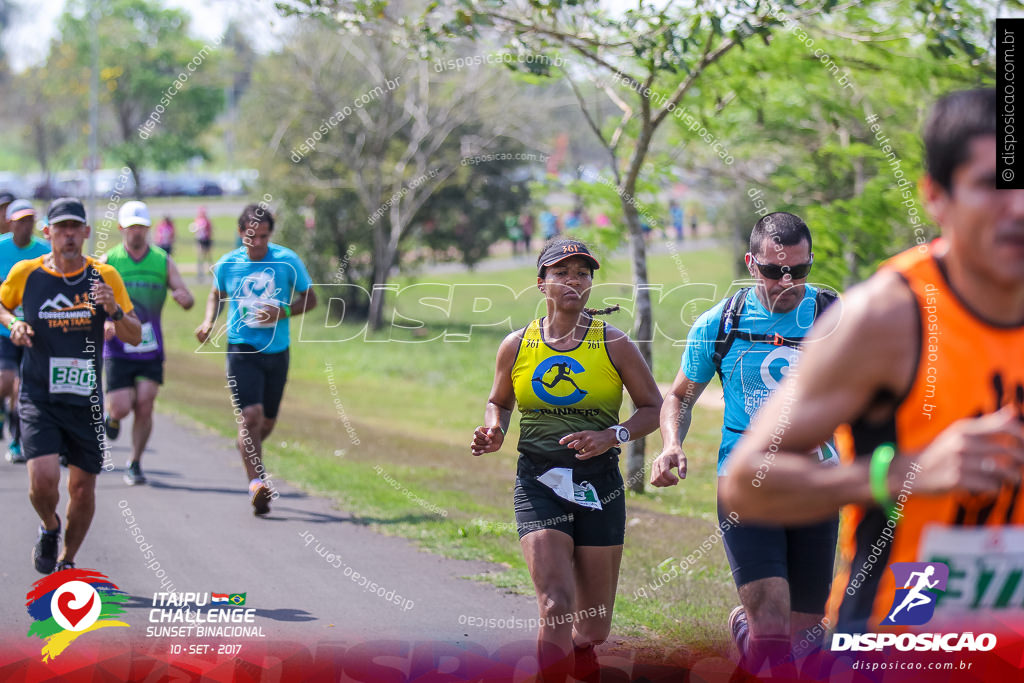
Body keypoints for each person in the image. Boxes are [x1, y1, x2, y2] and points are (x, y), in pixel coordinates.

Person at [722, 88, 1024, 636]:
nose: (1019, 207)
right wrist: (905, 474)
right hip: (909, 628)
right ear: (936, 195)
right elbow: (746, 481)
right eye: (992, 185)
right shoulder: (887, 316)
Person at [651, 212, 840, 677]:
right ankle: (753, 630)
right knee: (772, 625)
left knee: (802, 637)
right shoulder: (722, 322)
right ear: (751, 264)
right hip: (745, 481)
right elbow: (678, 396)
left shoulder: (834, 315)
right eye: (775, 271)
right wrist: (671, 444)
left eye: (799, 270)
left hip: (817, 482)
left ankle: (745, 635)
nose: (787, 281)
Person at [471, 238, 662, 681]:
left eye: (582, 273)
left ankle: (581, 650)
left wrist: (610, 435)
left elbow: (652, 408)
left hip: (599, 483)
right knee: (555, 603)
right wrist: (495, 429)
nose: (573, 281)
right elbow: (498, 401)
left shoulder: (613, 344)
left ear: (591, 284)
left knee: (593, 624)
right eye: (562, 273)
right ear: (542, 284)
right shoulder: (517, 345)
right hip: (538, 480)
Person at [0, 197, 141, 573]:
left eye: (74, 227)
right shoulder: (26, 273)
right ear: (47, 233)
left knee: (81, 489)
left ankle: (67, 560)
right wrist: (13, 324)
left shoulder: (104, 276)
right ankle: (50, 525)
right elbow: (2, 304)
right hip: (38, 393)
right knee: (43, 480)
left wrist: (112, 309)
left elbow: (135, 335)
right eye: (59, 228)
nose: (67, 235)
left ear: (86, 232)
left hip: (86, 400)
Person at [195, 203, 316, 516]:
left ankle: (246, 445)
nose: (257, 243)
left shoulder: (287, 261)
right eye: (252, 236)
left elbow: (311, 299)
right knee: (251, 415)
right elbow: (215, 294)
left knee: (266, 422)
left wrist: (283, 311)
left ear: (270, 235)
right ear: (240, 233)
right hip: (241, 349)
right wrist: (209, 321)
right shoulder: (228, 264)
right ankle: (256, 484)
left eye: (264, 236)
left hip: (277, 352)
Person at [101, 201, 194, 485]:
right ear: (121, 229)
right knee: (122, 406)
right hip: (117, 346)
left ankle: (135, 462)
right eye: (131, 228)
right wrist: (105, 322)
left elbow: (186, 295)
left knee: (145, 403)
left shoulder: (162, 260)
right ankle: (113, 417)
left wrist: (184, 298)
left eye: (141, 227)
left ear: (148, 229)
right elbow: (94, 302)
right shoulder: (109, 261)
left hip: (150, 347)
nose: (137, 233)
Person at [0, 200, 51, 463]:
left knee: (22, 389)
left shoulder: (43, 251)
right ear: (10, 223)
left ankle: (17, 441)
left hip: (34, 331)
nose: (26, 226)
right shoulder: (1, 248)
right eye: (20, 221)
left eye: (30, 220)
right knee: (5, 381)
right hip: (4, 329)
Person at [189, 206, 213, 280]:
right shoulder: (197, 220)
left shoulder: (207, 221)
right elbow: (194, 230)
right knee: (200, 256)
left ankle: (211, 271)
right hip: (200, 240)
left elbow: (210, 230)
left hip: (206, 240)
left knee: (208, 256)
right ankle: (200, 272)